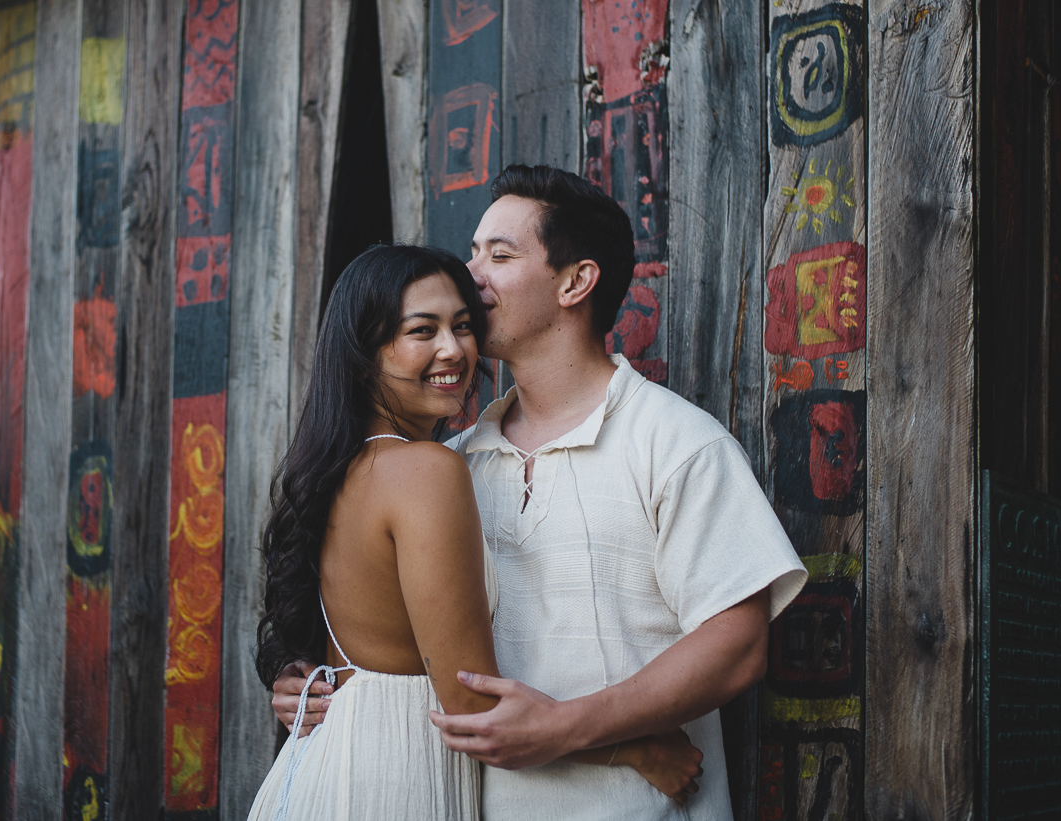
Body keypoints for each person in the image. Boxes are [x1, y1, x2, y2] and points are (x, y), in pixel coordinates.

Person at [274, 167, 809, 821]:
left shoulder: (675, 442)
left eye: (499, 255)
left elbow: (739, 642)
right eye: (472, 253)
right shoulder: (452, 458)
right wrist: (309, 677)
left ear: (575, 281)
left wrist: (572, 726)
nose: (473, 276)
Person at [249, 244, 705, 821]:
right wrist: (635, 748)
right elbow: (468, 700)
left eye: (463, 326)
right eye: (423, 330)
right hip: (391, 784)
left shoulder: (344, 471)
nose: (454, 349)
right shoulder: (427, 470)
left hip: (320, 774)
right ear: (363, 355)